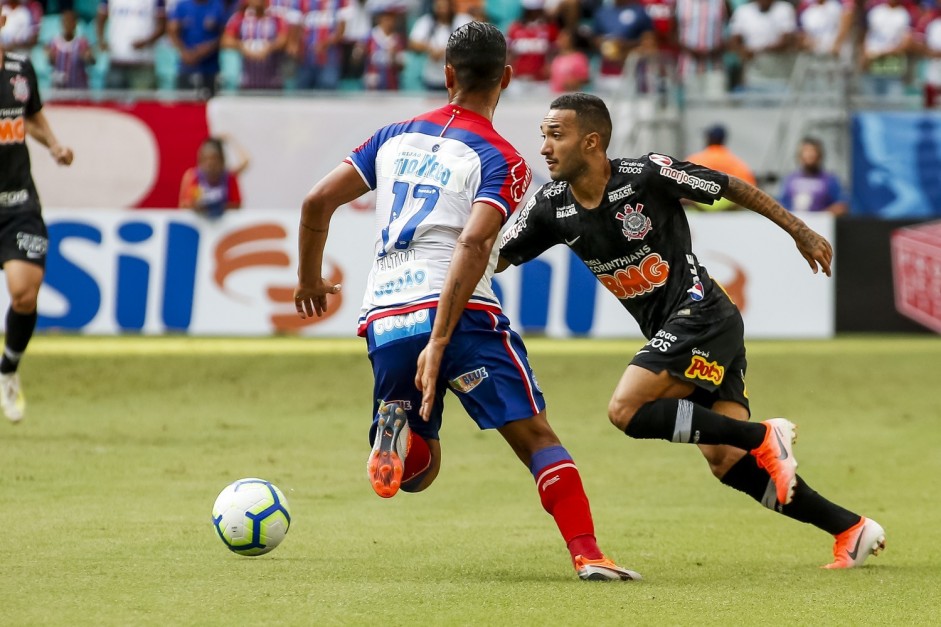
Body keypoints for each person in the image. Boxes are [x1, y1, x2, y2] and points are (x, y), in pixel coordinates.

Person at [294, 22, 640, 582]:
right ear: (505, 78)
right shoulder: (503, 157)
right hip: (458, 315)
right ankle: (589, 555)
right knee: (535, 438)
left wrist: (310, 280)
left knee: (419, 472)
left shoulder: (391, 136)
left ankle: (395, 432)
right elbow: (476, 242)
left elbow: (316, 202)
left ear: (448, 74)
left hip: (385, 313)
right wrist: (441, 340)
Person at [498, 93, 886, 570]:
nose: (545, 147)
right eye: (544, 136)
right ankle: (850, 527)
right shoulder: (550, 207)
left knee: (625, 409)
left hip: (702, 313)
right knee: (724, 459)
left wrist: (798, 230)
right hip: (684, 331)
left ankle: (764, 434)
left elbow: (731, 187)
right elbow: (491, 256)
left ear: (592, 141)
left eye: (556, 135)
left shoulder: (646, 174)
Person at [0, 11, 74, 423]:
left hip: (18, 203)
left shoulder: (19, 69)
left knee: (24, 294)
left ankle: (8, 369)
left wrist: (55, 145)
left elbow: (30, 117)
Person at [684, 124, 755, 211]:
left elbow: (681, 190)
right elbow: (749, 192)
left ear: (709, 138)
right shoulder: (737, 163)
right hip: (729, 216)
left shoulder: (694, 159)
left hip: (698, 214)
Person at [168, 0, 228, 97]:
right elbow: (172, 31)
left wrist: (207, 48)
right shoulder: (182, 6)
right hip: (187, 66)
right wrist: (184, 52)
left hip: (210, 68)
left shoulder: (217, 5)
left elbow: (225, 34)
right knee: (184, 105)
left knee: (209, 105)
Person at [179, 136, 249, 216]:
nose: (210, 164)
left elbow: (246, 161)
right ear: (200, 161)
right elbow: (185, 206)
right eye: (206, 159)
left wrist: (231, 140)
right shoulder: (193, 177)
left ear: (222, 161)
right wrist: (200, 207)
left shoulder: (229, 177)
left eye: (214, 159)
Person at [779, 137, 848, 215]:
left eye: (813, 151)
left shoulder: (829, 180)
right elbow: (781, 204)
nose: (809, 155)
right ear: (799, 156)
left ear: (820, 155)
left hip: (820, 225)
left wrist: (820, 217)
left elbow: (841, 206)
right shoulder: (790, 179)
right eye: (806, 151)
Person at [47, 10, 95, 90]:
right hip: (59, 89)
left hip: (78, 90)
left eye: (71, 21)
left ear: (75, 24)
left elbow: (92, 61)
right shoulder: (54, 43)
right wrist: (50, 57)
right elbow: (51, 62)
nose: (68, 24)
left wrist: (88, 58)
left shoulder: (82, 43)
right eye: (65, 21)